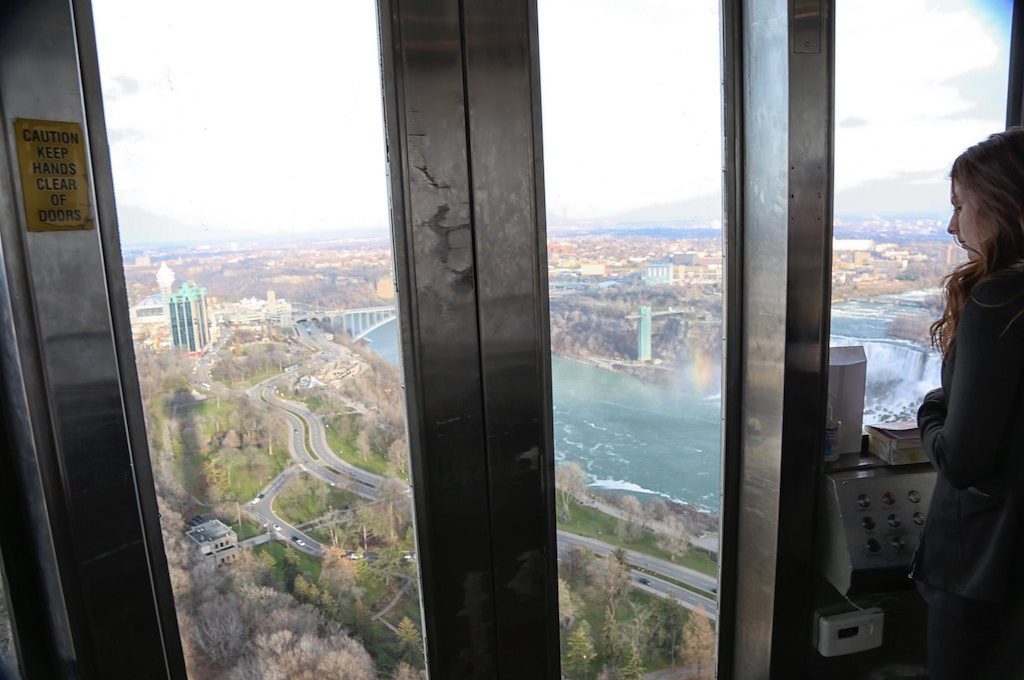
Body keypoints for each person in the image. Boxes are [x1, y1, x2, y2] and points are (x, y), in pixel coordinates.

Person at [912, 128, 1024, 679]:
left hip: (984, 571)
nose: (953, 225)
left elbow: (961, 459)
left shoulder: (999, 299)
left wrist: (931, 411)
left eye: (960, 205)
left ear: (1004, 203)